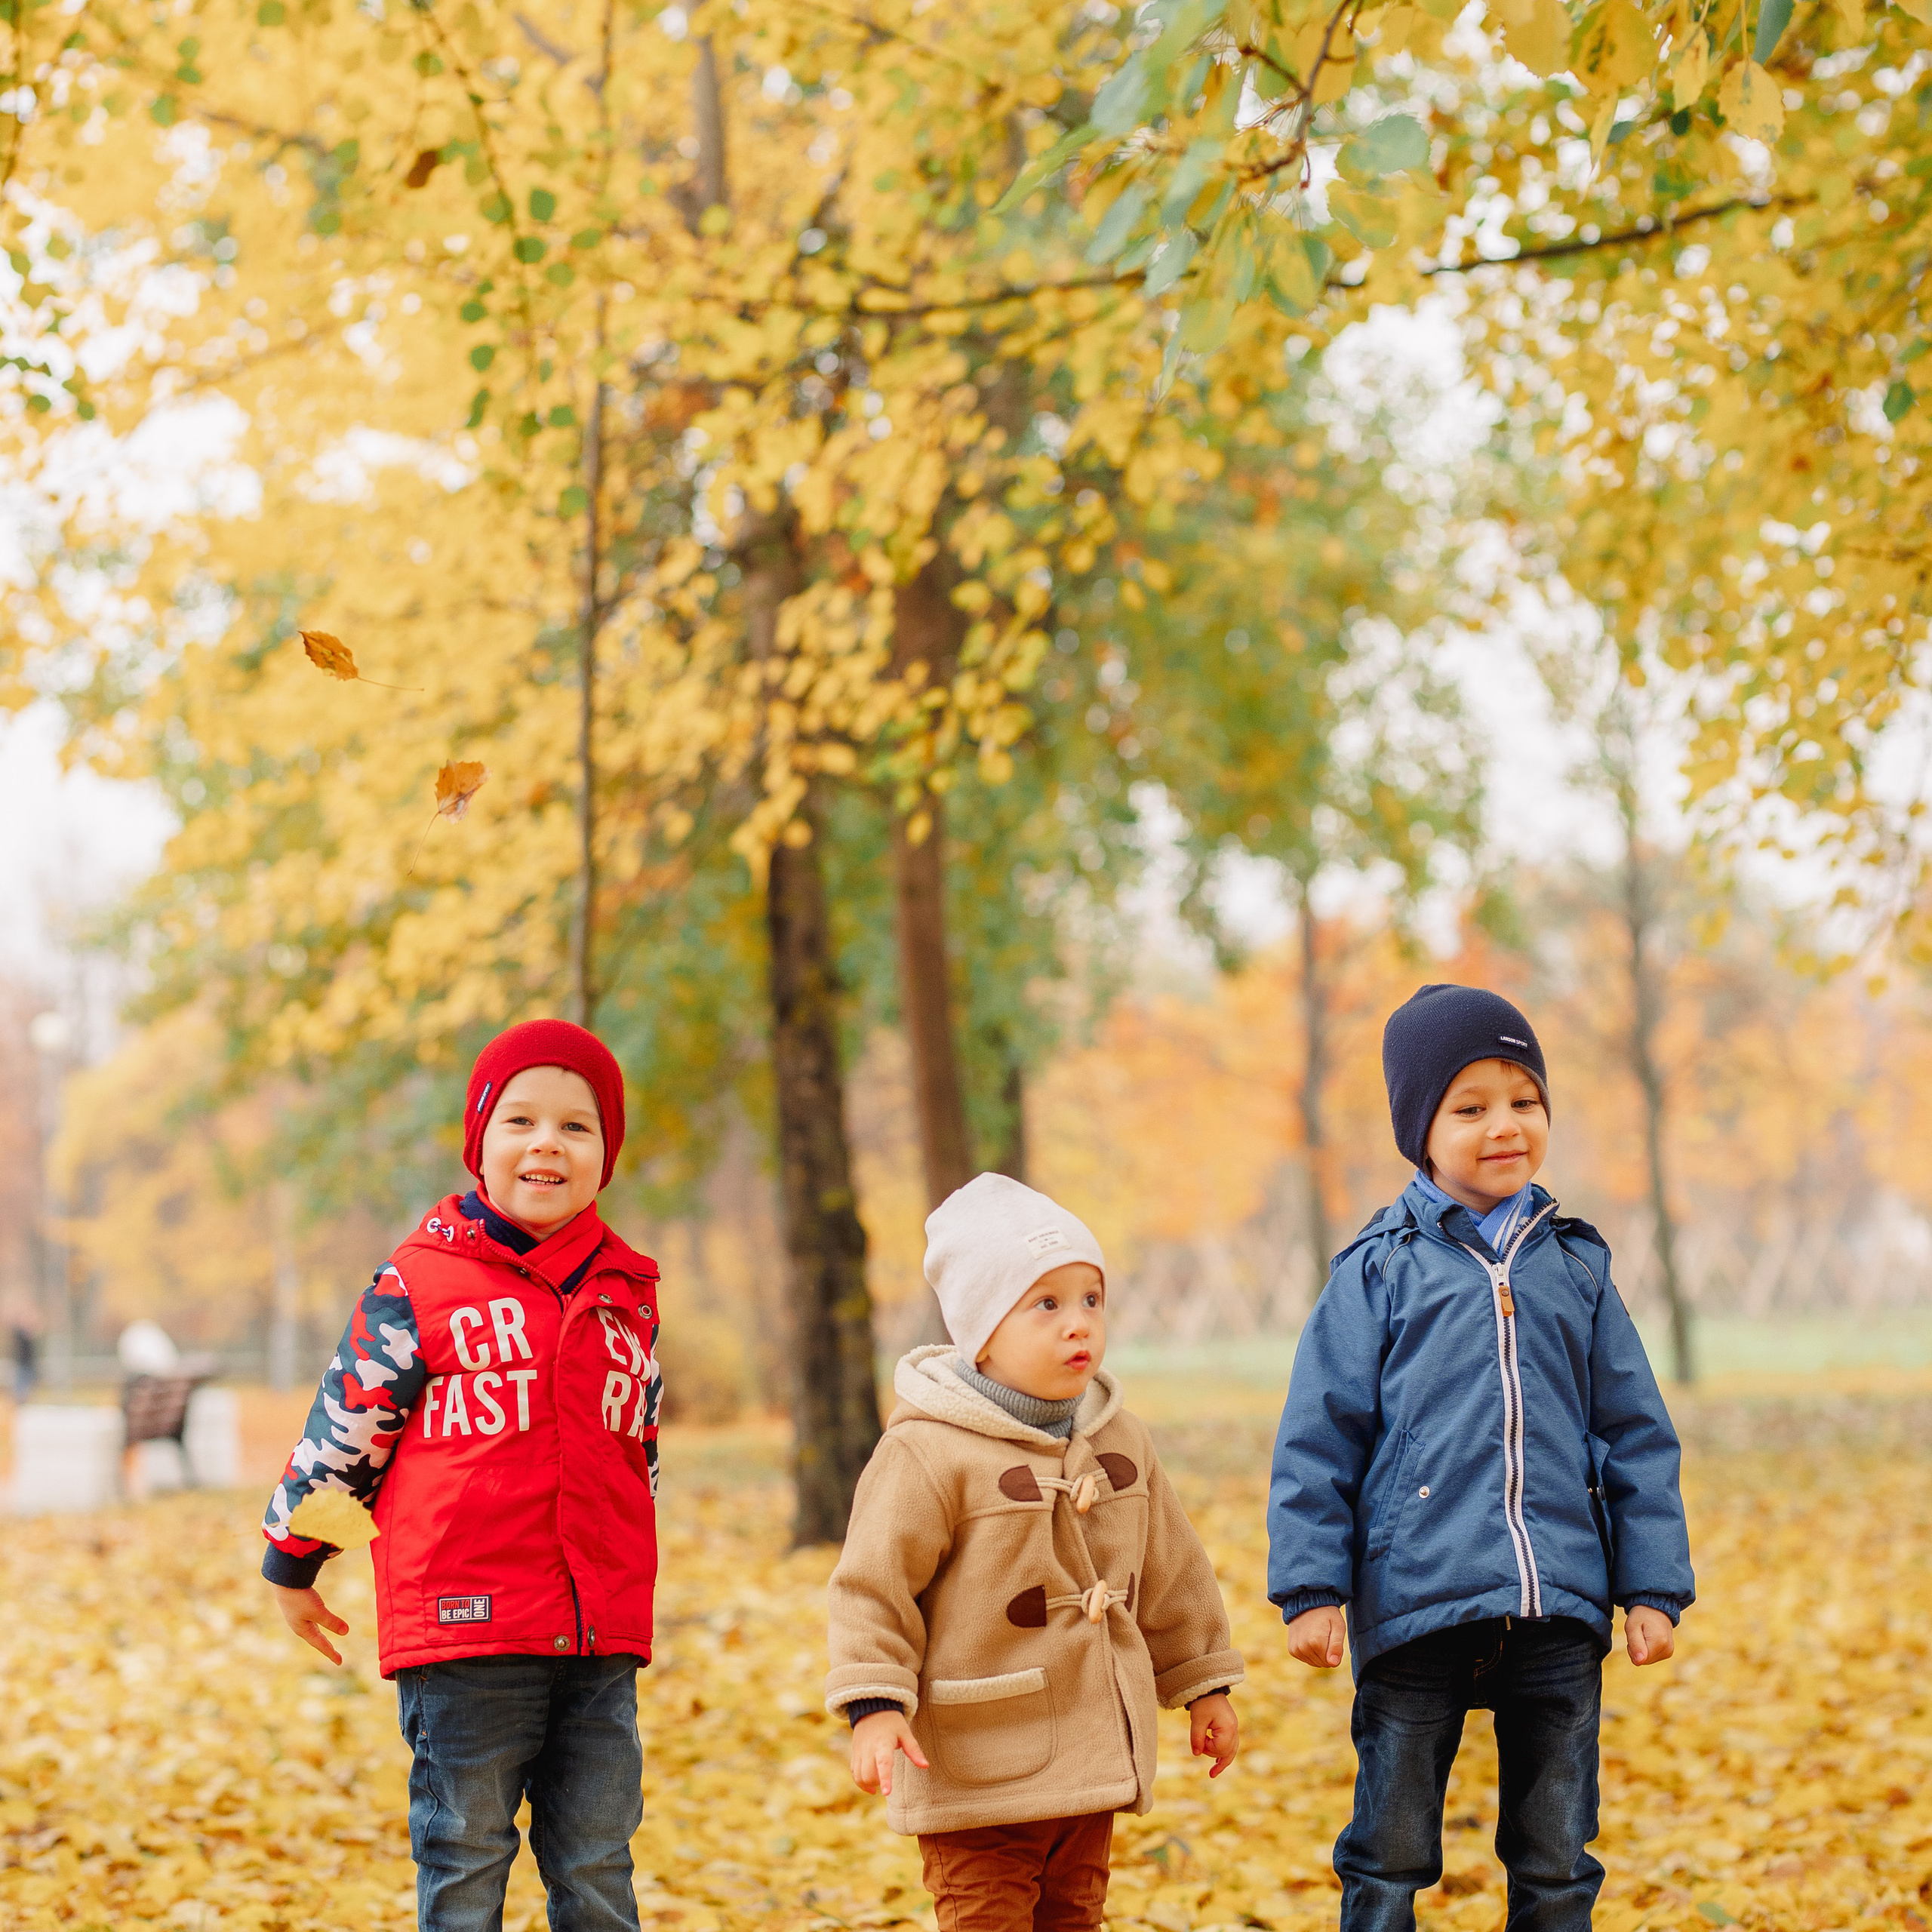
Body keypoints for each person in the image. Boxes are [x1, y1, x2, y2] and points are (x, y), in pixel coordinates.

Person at [1269, 983, 1695, 1932]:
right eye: (1469, 1107)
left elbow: (1634, 1431)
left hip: (1556, 1607)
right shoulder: (1376, 1270)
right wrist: (1310, 1588)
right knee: (1389, 1847)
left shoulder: (1576, 1266)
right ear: (1419, 1129)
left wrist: (1652, 1587)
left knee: (1554, 1852)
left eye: (1523, 1100)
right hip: (1416, 1602)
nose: (1504, 1125)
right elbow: (1317, 1437)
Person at [260, 1019, 663, 1932]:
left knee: (598, 1856)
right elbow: (349, 1426)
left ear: (606, 1153)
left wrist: (626, 1577)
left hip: (596, 1635)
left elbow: (639, 1446)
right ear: (480, 1140)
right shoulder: (421, 1280)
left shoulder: (628, 1291)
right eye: (520, 1121)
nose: (547, 1144)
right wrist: (294, 1560)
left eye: (576, 1126)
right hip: (465, 1630)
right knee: (466, 1849)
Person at [826, 1173, 1243, 1932]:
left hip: (1088, 1760)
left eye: (1090, 1298)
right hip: (979, 1767)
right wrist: (875, 1704)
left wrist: (1203, 1681)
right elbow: (871, 1588)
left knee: (1074, 1916)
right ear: (981, 1331)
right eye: (1045, 1304)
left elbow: (1170, 1570)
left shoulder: (1119, 1439)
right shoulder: (928, 1451)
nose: (1077, 1323)